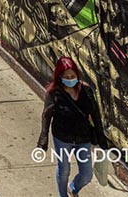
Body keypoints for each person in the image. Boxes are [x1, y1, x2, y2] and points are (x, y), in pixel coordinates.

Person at [37, 56, 107, 197]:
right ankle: (63, 195)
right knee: (64, 169)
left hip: (83, 138)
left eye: (73, 76)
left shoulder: (86, 91)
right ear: (60, 77)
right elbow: (46, 115)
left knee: (87, 174)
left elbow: (95, 114)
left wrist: (101, 137)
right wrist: (43, 137)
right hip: (62, 137)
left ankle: (73, 188)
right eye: (66, 76)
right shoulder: (54, 93)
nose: (70, 79)